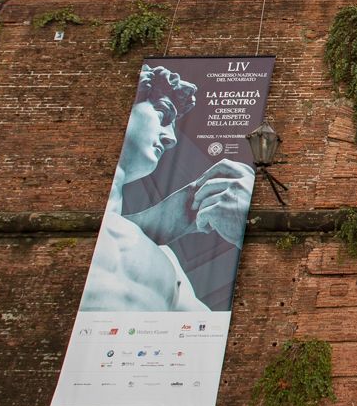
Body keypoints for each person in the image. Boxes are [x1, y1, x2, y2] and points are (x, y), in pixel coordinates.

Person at [79, 64, 256, 313]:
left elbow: (203, 328)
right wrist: (155, 222)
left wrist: (244, 231)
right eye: (162, 113)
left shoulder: (165, 259)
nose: (170, 138)